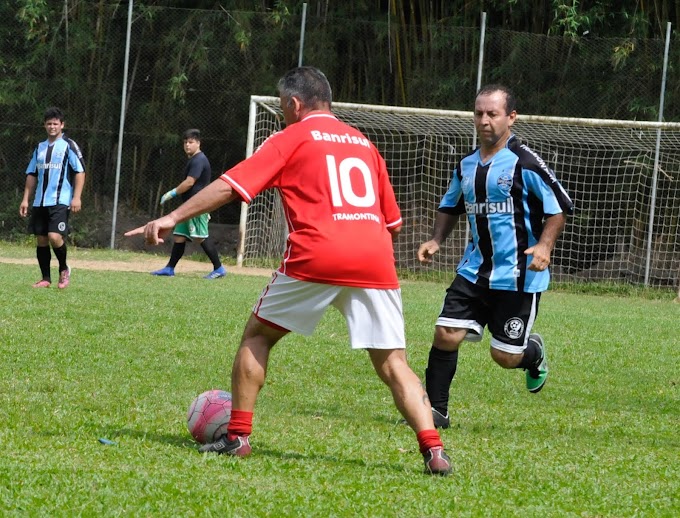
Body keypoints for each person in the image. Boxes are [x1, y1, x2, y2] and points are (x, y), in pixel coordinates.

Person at [126, 66, 451, 475]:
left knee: (258, 336)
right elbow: (394, 223)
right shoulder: (364, 143)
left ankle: (238, 437)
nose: (282, 114)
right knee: (393, 364)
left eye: (283, 107)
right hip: (375, 260)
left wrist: (173, 216)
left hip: (317, 253)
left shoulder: (291, 137)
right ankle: (435, 451)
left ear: (294, 104)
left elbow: (230, 186)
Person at [418, 84, 574, 429]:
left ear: (511, 117)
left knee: (504, 356)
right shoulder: (467, 165)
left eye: (493, 114)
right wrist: (436, 239)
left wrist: (545, 245)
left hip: (519, 276)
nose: (484, 120)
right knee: (445, 333)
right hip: (474, 270)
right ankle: (435, 413)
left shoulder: (525, 162)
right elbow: (451, 204)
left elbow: (559, 206)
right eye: (479, 114)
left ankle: (532, 353)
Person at [19, 107, 86, 289]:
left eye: (55, 123)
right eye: (49, 123)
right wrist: (26, 199)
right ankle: (45, 278)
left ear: (62, 125)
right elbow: (32, 174)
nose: (52, 127)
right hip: (40, 200)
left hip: (60, 200)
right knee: (41, 239)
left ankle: (64, 269)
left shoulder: (68, 145)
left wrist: (76, 197)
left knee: (54, 236)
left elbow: (80, 171)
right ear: (44, 125)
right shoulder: (39, 148)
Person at [151, 129, 226, 279]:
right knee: (179, 236)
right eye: (185, 142)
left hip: (197, 206)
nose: (187, 145)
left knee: (200, 237)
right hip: (188, 206)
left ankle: (219, 268)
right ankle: (169, 268)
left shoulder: (199, 159)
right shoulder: (193, 159)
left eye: (191, 142)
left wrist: (172, 193)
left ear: (198, 143)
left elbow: (189, 182)